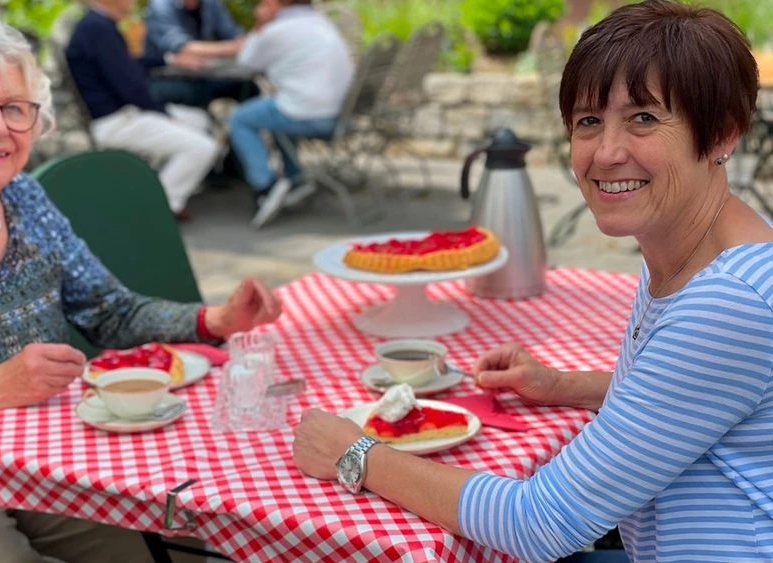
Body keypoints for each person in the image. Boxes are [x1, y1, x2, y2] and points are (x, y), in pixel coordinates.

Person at [293, 2, 773, 561]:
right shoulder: (695, 249)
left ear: (721, 136)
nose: (606, 153)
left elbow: (539, 523)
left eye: (644, 118)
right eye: (589, 121)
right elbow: (685, 394)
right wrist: (559, 386)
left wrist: (355, 454)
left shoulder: (729, 303)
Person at [0, 19, 281, 562]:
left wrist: (214, 321)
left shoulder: (23, 198)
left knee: (159, 545)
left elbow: (109, 310)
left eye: (17, 108)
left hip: (35, 463)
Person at [66, 0, 220, 221]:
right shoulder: (96, 28)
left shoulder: (97, 24)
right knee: (204, 148)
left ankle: (161, 186)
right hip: (114, 122)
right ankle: (159, 209)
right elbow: (131, 88)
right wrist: (165, 115)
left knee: (199, 119)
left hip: (125, 114)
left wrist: (170, 59)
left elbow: (127, 65)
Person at [229, 0, 353, 228]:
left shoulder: (278, 30)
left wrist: (260, 24)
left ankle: (264, 187)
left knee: (239, 119)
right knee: (276, 110)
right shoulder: (321, 22)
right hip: (340, 113)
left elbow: (246, 61)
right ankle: (294, 178)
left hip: (313, 115)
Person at [144, 0, 260, 108]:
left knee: (248, 87)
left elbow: (235, 35)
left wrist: (262, 23)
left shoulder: (210, 4)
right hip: (164, 76)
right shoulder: (161, 5)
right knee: (198, 93)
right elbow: (183, 47)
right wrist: (231, 47)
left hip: (200, 74)